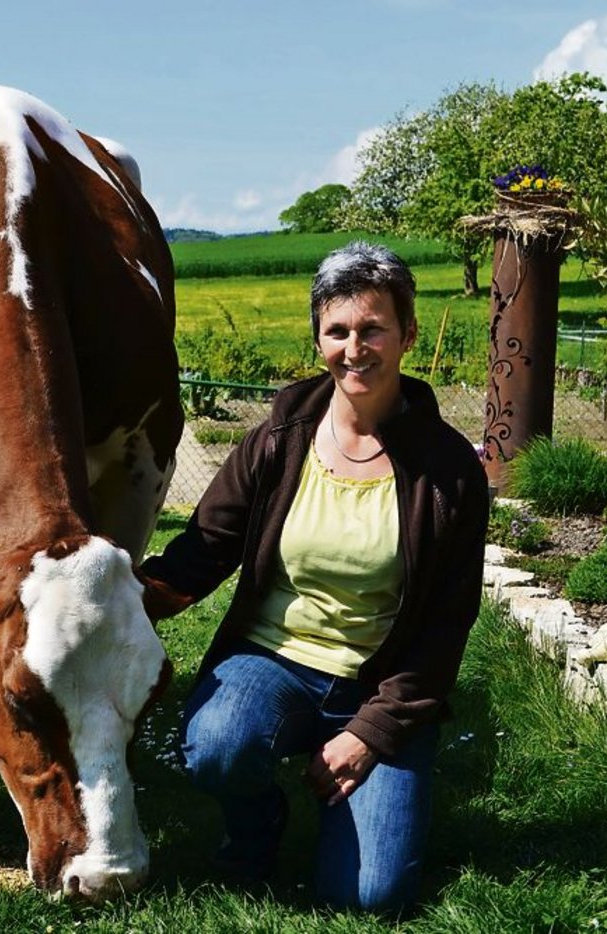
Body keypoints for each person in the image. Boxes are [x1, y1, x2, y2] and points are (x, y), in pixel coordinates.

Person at [138, 242, 488, 915]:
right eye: (338, 331)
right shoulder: (279, 438)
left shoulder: (449, 472)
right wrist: (121, 602)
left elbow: (447, 626)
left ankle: (345, 778)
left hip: (380, 685)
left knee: (368, 895)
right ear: (319, 337)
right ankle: (259, 821)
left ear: (407, 334)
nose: (355, 348)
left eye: (373, 328)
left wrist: (369, 735)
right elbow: (207, 546)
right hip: (273, 661)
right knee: (213, 745)